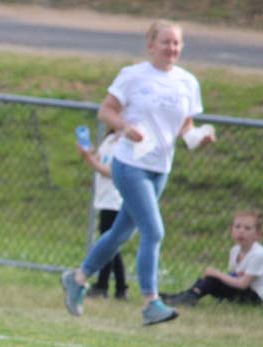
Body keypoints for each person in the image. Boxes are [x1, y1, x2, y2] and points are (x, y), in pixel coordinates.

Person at [60, 19, 215, 326]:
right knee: (153, 231)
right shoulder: (133, 76)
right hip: (130, 164)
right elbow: (105, 111)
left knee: (120, 233)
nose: (171, 48)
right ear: (151, 45)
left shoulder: (187, 82)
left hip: (160, 168)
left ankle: (77, 278)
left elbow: (186, 129)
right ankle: (150, 302)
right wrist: (125, 127)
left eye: (176, 43)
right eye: (165, 42)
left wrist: (199, 138)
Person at [163, 210, 263, 307]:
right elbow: (234, 275)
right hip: (244, 290)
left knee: (213, 279)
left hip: (256, 296)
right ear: (231, 230)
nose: (241, 231)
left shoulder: (258, 254)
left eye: (247, 228)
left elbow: (243, 284)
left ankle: (189, 297)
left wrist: (217, 274)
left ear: (257, 234)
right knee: (211, 279)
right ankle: (186, 295)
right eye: (237, 227)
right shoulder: (235, 250)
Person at [77, 129, 128, 300]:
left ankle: (102, 286)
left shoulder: (125, 142)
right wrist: (89, 152)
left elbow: (112, 172)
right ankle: (121, 288)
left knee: (108, 244)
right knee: (111, 243)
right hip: (104, 199)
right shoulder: (110, 139)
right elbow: (100, 159)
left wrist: (89, 159)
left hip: (115, 200)